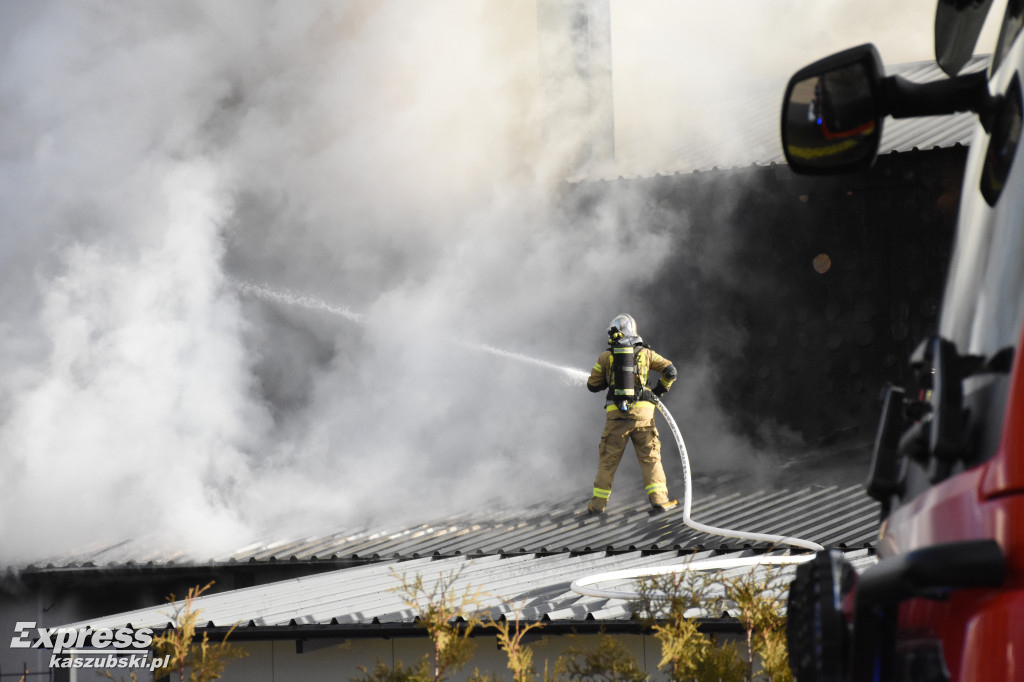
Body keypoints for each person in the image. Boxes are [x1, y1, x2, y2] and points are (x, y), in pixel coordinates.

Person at [586, 313, 679, 514]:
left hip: (616, 417)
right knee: (651, 459)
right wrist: (659, 390)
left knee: (608, 462)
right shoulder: (647, 354)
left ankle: (597, 506)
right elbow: (671, 371)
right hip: (644, 416)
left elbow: (592, 385)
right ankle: (660, 501)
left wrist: (609, 379)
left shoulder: (606, 356)